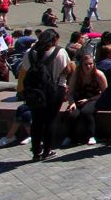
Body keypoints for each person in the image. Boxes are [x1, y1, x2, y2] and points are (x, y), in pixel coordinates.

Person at [20, 29, 74, 160]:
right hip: (55, 89)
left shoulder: (29, 53)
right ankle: (47, 150)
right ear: (54, 39)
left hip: (34, 91)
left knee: (36, 120)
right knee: (51, 119)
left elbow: (25, 69)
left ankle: (36, 151)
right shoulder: (60, 52)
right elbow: (67, 69)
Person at [62, 55, 107, 147]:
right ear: (81, 65)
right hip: (78, 100)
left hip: (94, 99)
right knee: (72, 114)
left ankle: (91, 136)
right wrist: (72, 103)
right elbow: (70, 93)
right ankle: (70, 137)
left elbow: (105, 93)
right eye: (86, 64)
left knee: (86, 112)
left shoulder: (99, 75)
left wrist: (88, 100)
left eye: (91, 64)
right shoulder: (76, 75)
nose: (88, 66)